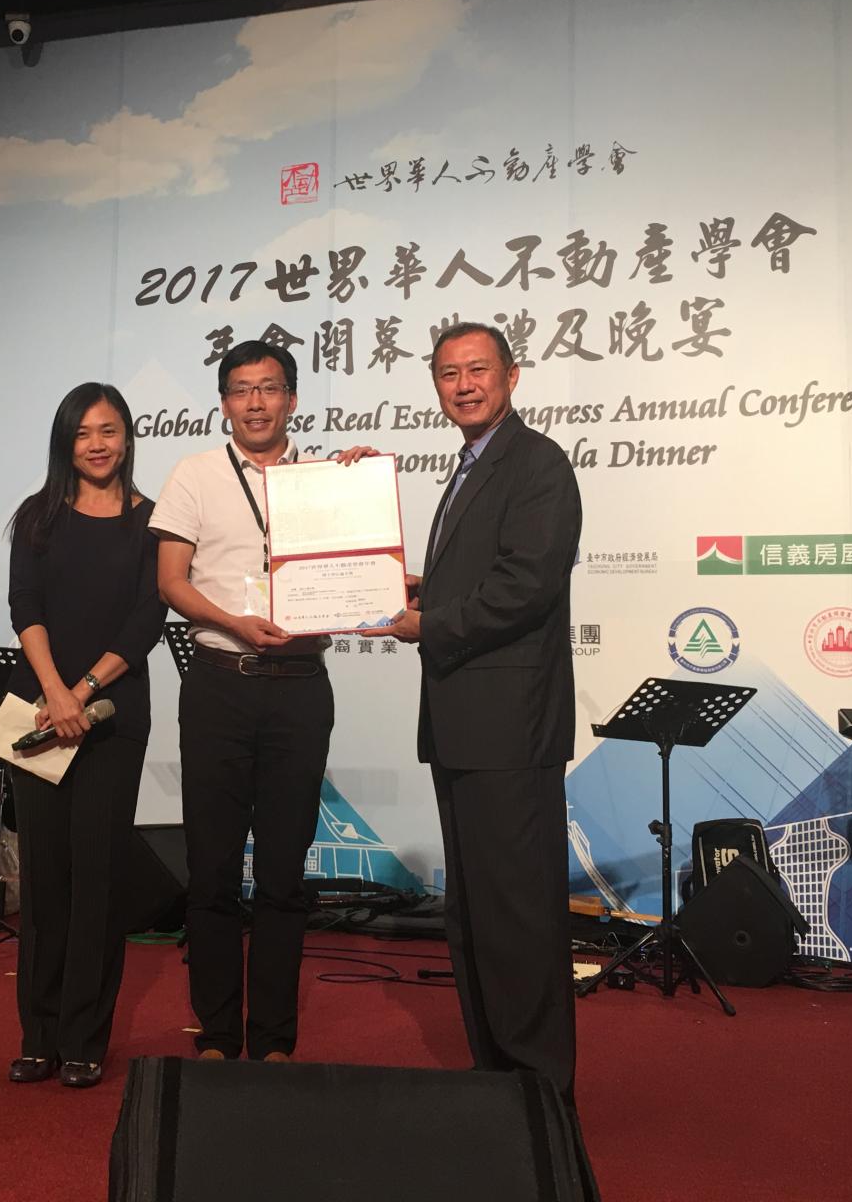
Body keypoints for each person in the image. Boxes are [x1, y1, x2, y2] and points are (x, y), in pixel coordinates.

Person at [365, 321, 585, 1117]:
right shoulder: (469, 464)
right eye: (448, 373)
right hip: (464, 721)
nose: (463, 385)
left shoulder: (538, 463)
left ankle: (540, 1092)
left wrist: (431, 622)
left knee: (518, 913)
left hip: (510, 725)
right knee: (476, 912)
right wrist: (422, 589)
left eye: (477, 370)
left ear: (511, 376)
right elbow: (482, 575)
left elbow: (525, 585)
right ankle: (496, 1074)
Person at [150, 339, 332, 1062]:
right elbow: (171, 581)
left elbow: (358, 570)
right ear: (224, 403)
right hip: (220, 685)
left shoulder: (323, 480)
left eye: (270, 388)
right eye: (241, 390)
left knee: (285, 874)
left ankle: (276, 1039)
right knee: (214, 869)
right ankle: (220, 1034)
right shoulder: (194, 474)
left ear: (292, 398)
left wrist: (360, 487)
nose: (256, 403)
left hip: (300, 689)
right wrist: (233, 622)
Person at [4, 382, 165, 1089]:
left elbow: (146, 621)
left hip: (113, 720)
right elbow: (25, 606)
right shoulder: (37, 517)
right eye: (82, 433)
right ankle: (38, 1036)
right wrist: (55, 690)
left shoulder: (154, 524)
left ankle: (83, 1039)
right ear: (64, 442)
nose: (97, 445)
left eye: (109, 430)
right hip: (39, 718)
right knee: (44, 882)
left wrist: (86, 690)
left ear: (127, 437)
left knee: (97, 879)